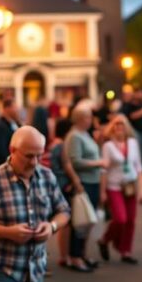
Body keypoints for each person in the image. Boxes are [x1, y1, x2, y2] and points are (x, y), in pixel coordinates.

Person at [0, 127, 71, 282]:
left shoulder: (47, 176)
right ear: (12, 150)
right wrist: (8, 233)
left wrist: (51, 226)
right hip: (2, 267)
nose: (34, 162)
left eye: (39, 155)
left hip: (36, 268)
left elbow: (64, 210)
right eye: (29, 156)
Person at [61, 105, 106, 272]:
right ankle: (75, 256)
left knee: (88, 220)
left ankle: (82, 254)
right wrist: (98, 163)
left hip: (93, 180)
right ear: (80, 118)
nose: (91, 120)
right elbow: (74, 161)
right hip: (84, 182)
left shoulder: (84, 134)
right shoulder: (74, 136)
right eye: (88, 117)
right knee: (80, 221)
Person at [97, 114, 142, 264]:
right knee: (120, 219)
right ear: (112, 128)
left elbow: (139, 167)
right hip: (114, 186)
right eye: (116, 125)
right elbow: (104, 170)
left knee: (130, 220)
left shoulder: (132, 143)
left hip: (130, 185)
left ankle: (126, 251)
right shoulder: (108, 146)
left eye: (122, 125)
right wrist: (102, 191)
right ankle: (105, 240)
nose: (119, 128)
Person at [47, 119, 73, 270]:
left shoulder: (53, 144)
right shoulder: (60, 146)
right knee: (63, 222)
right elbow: (59, 168)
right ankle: (64, 256)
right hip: (61, 186)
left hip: (57, 185)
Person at [121, 89, 142, 173]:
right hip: (137, 130)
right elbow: (131, 116)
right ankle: (140, 167)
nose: (141, 95)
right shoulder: (130, 105)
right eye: (139, 93)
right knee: (140, 149)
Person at [0, 99, 20, 168]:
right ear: (7, 108)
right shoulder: (0, 127)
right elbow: (1, 152)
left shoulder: (14, 123)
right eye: (15, 107)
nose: (17, 110)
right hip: (3, 168)